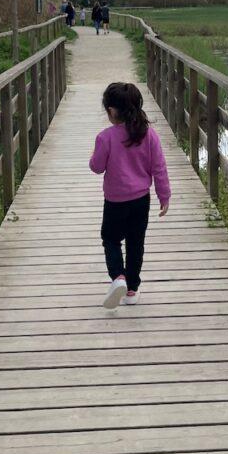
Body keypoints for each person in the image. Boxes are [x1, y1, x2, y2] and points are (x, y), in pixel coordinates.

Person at [89, 82, 170, 308]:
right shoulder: (149, 135)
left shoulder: (105, 137)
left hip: (115, 201)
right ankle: (132, 290)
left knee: (111, 239)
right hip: (140, 200)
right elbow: (159, 167)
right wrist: (164, 196)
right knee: (136, 243)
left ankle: (118, 278)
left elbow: (97, 167)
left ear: (112, 111)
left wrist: (94, 156)